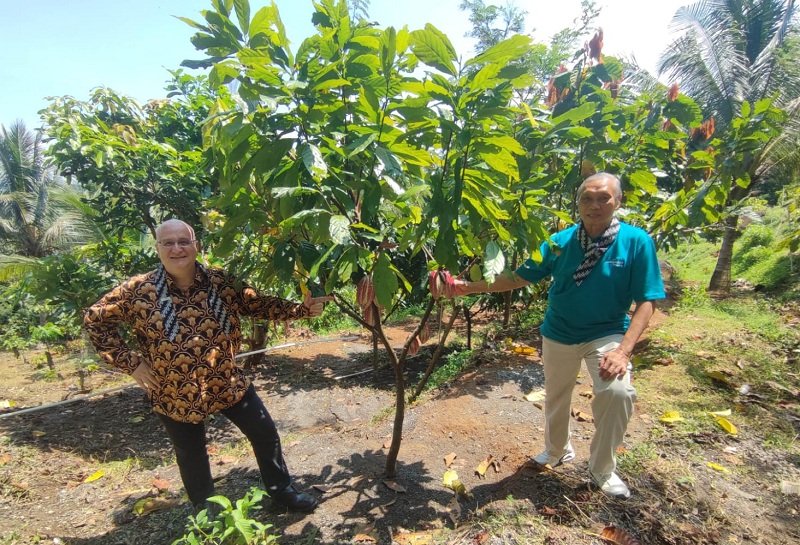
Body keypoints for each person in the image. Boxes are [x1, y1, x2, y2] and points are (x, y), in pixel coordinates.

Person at [434, 173, 665, 499]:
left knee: (618, 393)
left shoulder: (636, 241)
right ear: (578, 202)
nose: (595, 205)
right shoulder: (560, 242)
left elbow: (648, 300)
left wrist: (624, 351)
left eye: (604, 198)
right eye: (587, 198)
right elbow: (518, 278)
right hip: (559, 332)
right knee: (556, 397)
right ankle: (557, 451)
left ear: (619, 201)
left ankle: (602, 470)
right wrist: (465, 287)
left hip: (607, 333)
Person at [84, 219, 333, 513]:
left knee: (265, 433)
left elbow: (257, 304)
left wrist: (301, 309)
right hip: (173, 390)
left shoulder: (220, 282)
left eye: (184, 241)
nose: (177, 249)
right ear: (158, 248)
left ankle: (283, 493)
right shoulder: (138, 290)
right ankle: (206, 513)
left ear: (196, 245)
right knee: (191, 455)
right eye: (169, 243)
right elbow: (95, 318)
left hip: (226, 380)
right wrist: (132, 363)